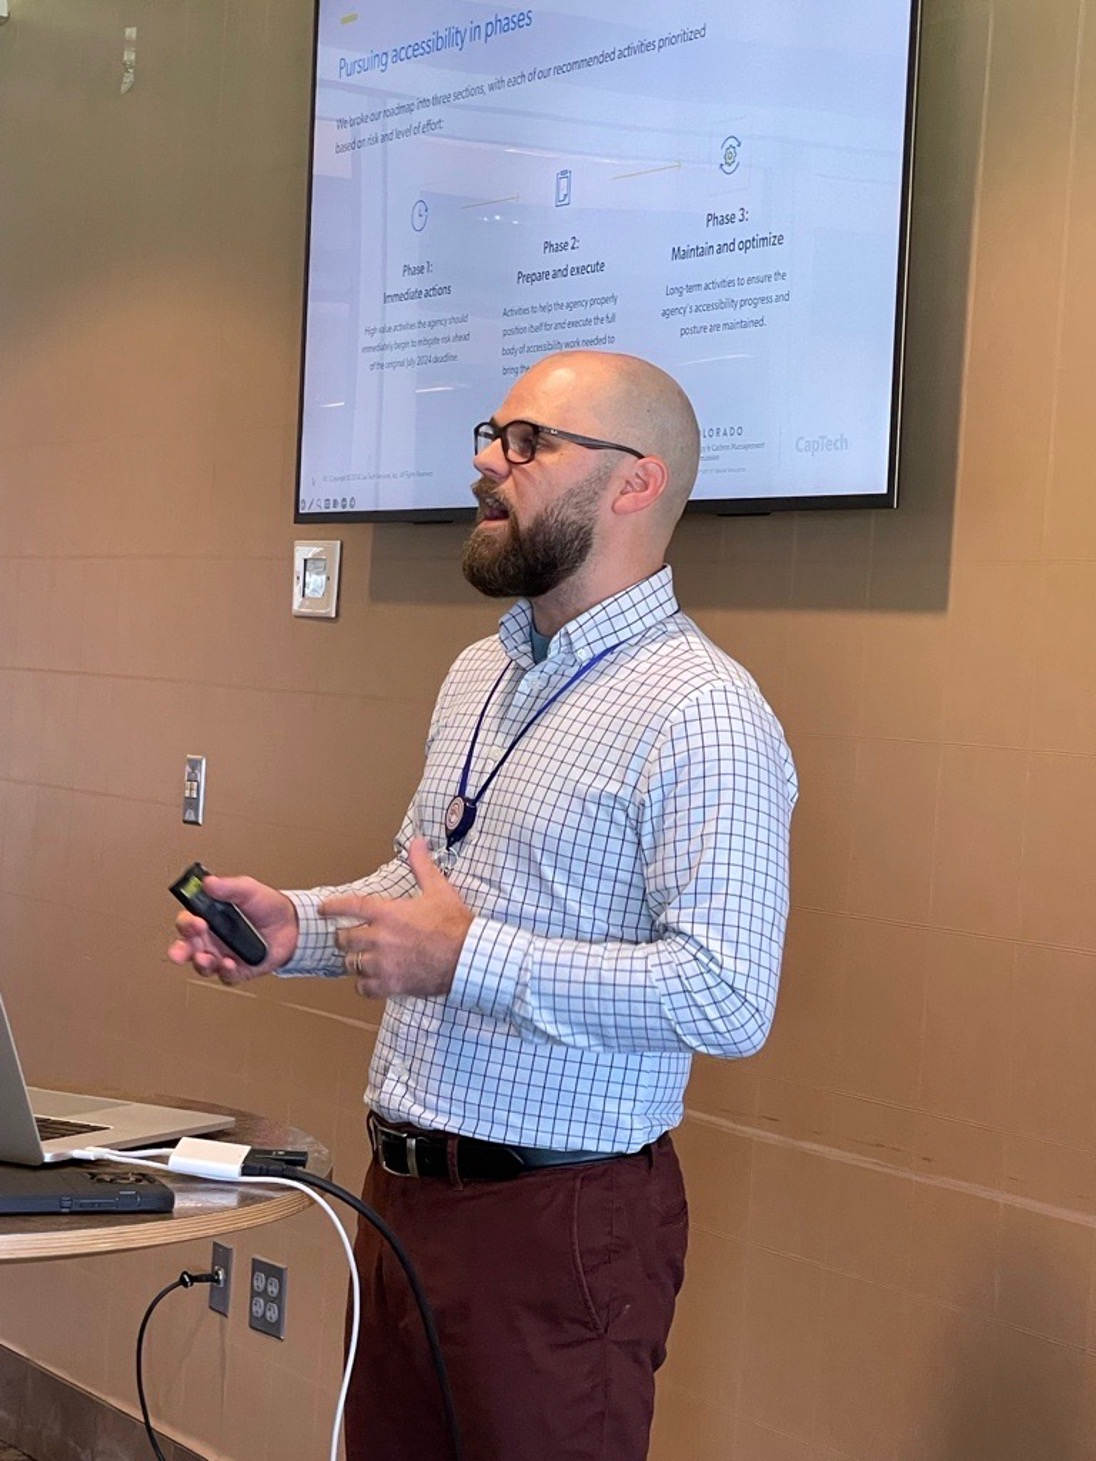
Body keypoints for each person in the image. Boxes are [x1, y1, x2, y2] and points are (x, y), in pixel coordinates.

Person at [169, 349, 797, 1461]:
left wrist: (473, 961)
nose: (483, 465)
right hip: (403, 1199)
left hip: (558, 1225)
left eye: (525, 443)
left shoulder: (704, 713)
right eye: (488, 435)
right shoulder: (484, 672)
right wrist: (296, 927)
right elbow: (426, 892)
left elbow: (726, 994)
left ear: (634, 482)